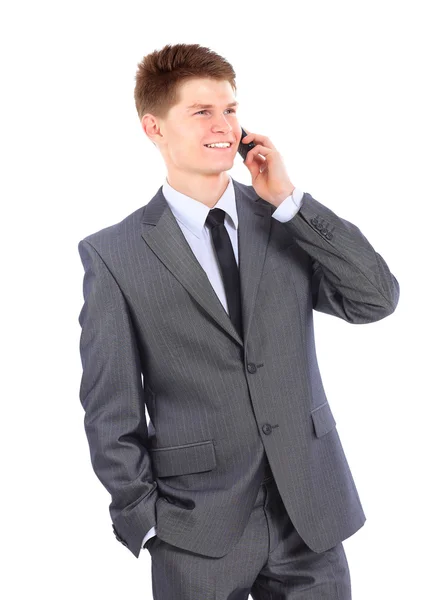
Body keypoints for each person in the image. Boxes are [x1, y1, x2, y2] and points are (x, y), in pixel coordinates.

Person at [77, 43, 400, 599]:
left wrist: (292, 201)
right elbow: (110, 408)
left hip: (310, 516)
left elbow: (375, 298)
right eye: (201, 111)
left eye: (230, 109)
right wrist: (145, 519)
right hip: (195, 528)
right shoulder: (115, 254)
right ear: (154, 127)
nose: (223, 124)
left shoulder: (282, 220)